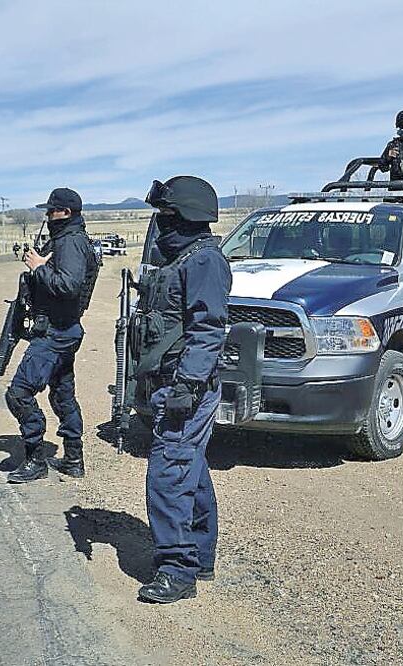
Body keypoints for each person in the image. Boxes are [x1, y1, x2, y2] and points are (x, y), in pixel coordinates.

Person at [132, 176, 231, 604]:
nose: (161, 222)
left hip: (185, 386)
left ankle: (177, 570)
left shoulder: (204, 261)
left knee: (169, 473)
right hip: (169, 383)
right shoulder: (177, 259)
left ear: (188, 215)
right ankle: (200, 556)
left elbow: (208, 330)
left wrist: (187, 385)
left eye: (167, 214)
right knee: (189, 468)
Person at [4, 187, 99, 484]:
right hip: (63, 329)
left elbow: (68, 285)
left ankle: (35, 458)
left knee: (19, 393)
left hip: (56, 332)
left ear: (66, 212)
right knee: (62, 394)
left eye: (51, 211)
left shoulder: (70, 242)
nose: (47, 216)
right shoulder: (68, 239)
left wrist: (38, 268)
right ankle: (73, 459)